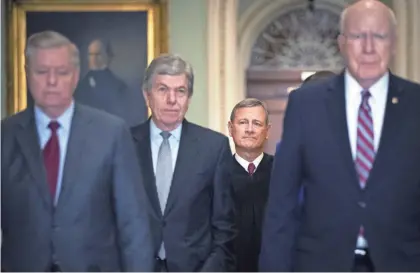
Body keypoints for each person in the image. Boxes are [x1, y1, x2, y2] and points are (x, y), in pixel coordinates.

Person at [259, 0, 420, 271]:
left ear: (392, 42)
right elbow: (281, 207)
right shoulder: (306, 104)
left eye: (378, 36)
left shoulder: (415, 104)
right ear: (342, 42)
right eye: (358, 36)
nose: (368, 48)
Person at [1, 31, 154, 272]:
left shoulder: (111, 133)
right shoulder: (6, 135)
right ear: (27, 73)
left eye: (61, 72)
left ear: (75, 75)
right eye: (42, 72)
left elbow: (133, 226)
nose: (51, 81)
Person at [131, 54, 236, 272]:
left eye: (180, 91)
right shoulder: (123, 144)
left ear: (189, 98)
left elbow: (225, 228)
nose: (172, 100)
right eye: (162, 90)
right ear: (147, 95)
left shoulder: (214, 147)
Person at [227, 98, 273, 272]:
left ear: (267, 130)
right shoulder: (216, 174)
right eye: (243, 122)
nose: (249, 129)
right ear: (231, 129)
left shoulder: (283, 173)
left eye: (257, 123)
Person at [74, 39, 133, 125]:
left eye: (98, 54)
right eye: (91, 55)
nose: (94, 58)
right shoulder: (79, 86)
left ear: (108, 56)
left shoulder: (119, 86)